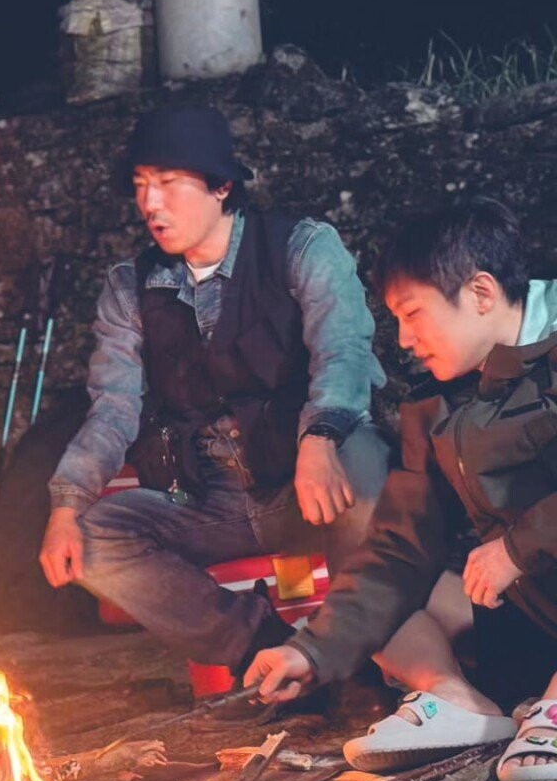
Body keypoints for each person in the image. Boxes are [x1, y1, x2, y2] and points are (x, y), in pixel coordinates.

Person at [40, 105, 391, 684]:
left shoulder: (302, 248)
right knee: (93, 536)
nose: (150, 204)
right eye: (141, 185)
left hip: (306, 479)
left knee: (364, 457)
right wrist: (66, 505)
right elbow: (114, 409)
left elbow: (344, 353)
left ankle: (370, 662)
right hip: (211, 498)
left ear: (222, 185)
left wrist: (320, 437)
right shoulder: (131, 288)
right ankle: (263, 650)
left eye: (168, 183)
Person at [245, 198, 557, 781]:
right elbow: (399, 548)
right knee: (388, 590)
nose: (404, 339)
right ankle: (460, 701)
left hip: (531, 573)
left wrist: (518, 548)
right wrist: (311, 650)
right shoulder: (437, 405)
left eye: (413, 314)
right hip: (528, 613)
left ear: (481, 293)